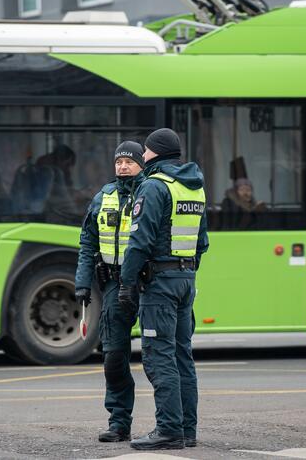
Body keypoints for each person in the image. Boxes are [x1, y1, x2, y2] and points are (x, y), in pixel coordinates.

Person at [119, 128, 209, 450]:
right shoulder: (194, 187)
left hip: (159, 284)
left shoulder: (155, 187)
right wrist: (185, 271)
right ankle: (187, 430)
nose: (142, 156)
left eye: (145, 151)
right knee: (183, 355)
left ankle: (168, 430)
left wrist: (127, 283)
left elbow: (139, 241)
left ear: (155, 153)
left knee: (159, 357)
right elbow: (202, 243)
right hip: (186, 280)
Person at [74, 141, 146, 443]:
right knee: (113, 357)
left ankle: (173, 426)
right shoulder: (103, 197)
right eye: (118, 162)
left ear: (141, 164)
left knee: (158, 360)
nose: (122, 167)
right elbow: (88, 243)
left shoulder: (150, 193)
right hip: (114, 284)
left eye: (128, 162)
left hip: (148, 283)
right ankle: (119, 423)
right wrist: (82, 283)